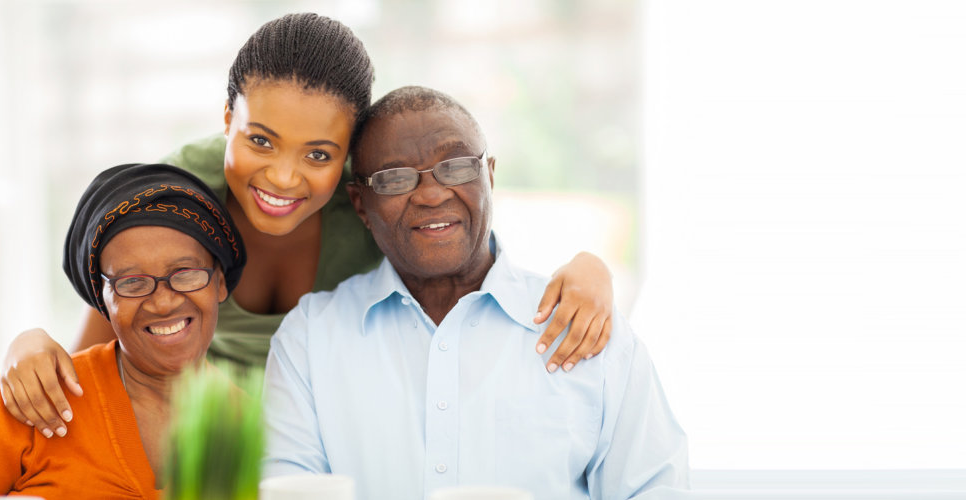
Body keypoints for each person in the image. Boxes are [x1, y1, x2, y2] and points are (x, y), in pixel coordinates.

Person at [0, 12, 625, 440]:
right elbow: (96, 356)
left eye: (318, 155)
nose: (283, 178)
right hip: (190, 443)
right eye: (261, 140)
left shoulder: (373, 208)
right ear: (226, 117)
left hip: (327, 441)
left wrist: (591, 271)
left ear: (350, 159)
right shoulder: (179, 196)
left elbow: (474, 259)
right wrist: (28, 344)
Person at [262, 86, 688, 499]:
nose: (431, 193)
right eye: (394, 178)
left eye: (458, 165)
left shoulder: (588, 327)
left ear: (490, 174)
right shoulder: (309, 340)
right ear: (361, 205)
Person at [0, 164, 246, 500]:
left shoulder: (252, 426)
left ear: (218, 283)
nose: (163, 302)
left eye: (185, 272)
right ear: (104, 300)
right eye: (132, 282)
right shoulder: (37, 401)